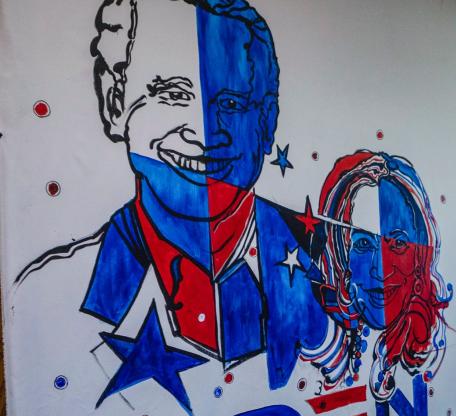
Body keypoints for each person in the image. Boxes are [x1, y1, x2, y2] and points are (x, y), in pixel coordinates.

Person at [14, 0, 343, 395]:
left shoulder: (324, 264)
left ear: (267, 122)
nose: (204, 136)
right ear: (114, 103)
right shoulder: (45, 299)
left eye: (232, 103)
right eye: (171, 94)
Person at [316, 151, 450, 401]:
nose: (380, 269)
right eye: (364, 244)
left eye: (397, 243)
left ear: (420, 256)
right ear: (343, 253)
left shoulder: (429, 342)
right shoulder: (323, 341)